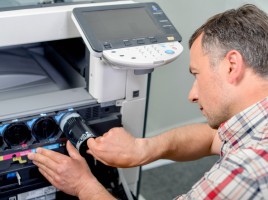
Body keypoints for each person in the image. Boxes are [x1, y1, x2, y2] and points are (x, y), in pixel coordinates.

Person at [27, 4, 268, 199]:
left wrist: (83, 186)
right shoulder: (255, 125)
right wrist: (144, 149)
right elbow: (215, 138)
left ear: (232, 66)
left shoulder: (247, 170)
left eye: (196, 74)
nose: (192, 95)